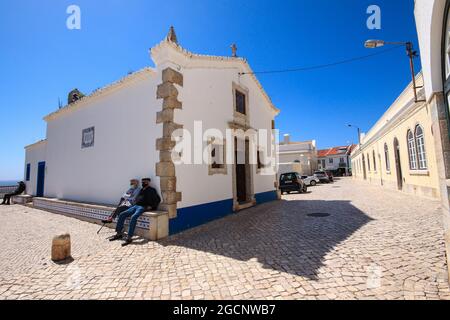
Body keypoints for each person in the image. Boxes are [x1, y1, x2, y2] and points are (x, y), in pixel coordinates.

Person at [109, 178, 161, 246]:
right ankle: (119, 233)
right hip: (135, 206)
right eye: (142, 182)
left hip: (143, 207)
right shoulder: (142, 190)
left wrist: (151, 206)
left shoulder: (152, 190)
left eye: (145, 182)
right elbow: (137, 198)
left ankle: (129, 237)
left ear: (148, 182)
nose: (143, 183)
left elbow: (158, 199)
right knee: (122, 214)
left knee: (133, 217)